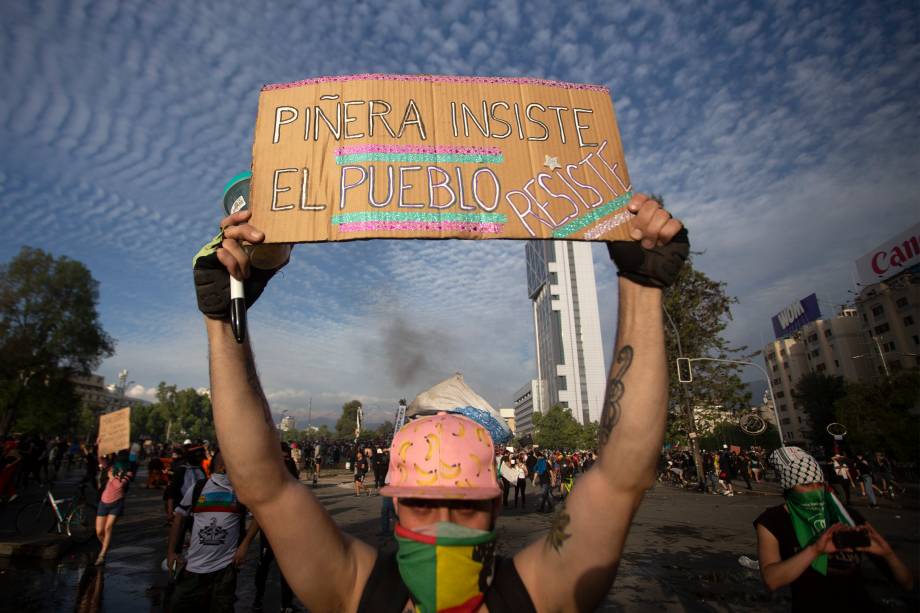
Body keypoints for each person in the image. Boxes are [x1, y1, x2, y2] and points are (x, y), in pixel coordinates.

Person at [196, 193, 688, 611]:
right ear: (395, 504)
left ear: (496, 506)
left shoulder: (536, 592)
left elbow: (621, 478)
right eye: (421, 503)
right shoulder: (356, 588)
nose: (444, 527)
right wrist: (224, 321)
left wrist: (642, 288)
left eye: (464, 506)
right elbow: (263, 486)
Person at [754, 447, 913, 610]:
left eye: (820, 484)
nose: (816, 491)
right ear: (788, 486)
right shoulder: (773, 521)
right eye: (806, 485)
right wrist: (814, 550)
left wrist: (888, 554)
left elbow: (907, 583)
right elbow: (772, 580)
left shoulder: (845, 516)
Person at [167, 450, 259, 613]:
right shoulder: (199, 488)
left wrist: (244, 546)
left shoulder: (242, 492)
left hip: (224, 571)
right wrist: (172, 552)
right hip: (193, 568)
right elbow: (179, 518)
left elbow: (259, 517)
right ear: (223, 467)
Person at [253, 443, 299, 612]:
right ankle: (258, 598)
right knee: (263, 567)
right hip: (269, 531)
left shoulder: (293, 477)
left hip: (289, 532)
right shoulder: (266, 477)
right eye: (281, 457)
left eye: (287, 457)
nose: (284, 461)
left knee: (289, 570)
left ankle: (286, 603)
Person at [95, 450, 134, 566]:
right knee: (99, 532)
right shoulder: (111, 467)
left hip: (116, 503)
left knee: (108, 528)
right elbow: (100, 459)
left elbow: (119, 485)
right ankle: (106, 545)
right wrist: (101, 447)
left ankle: (102, 555)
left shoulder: (129, 472)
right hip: (104, 501)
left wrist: (111, 477)